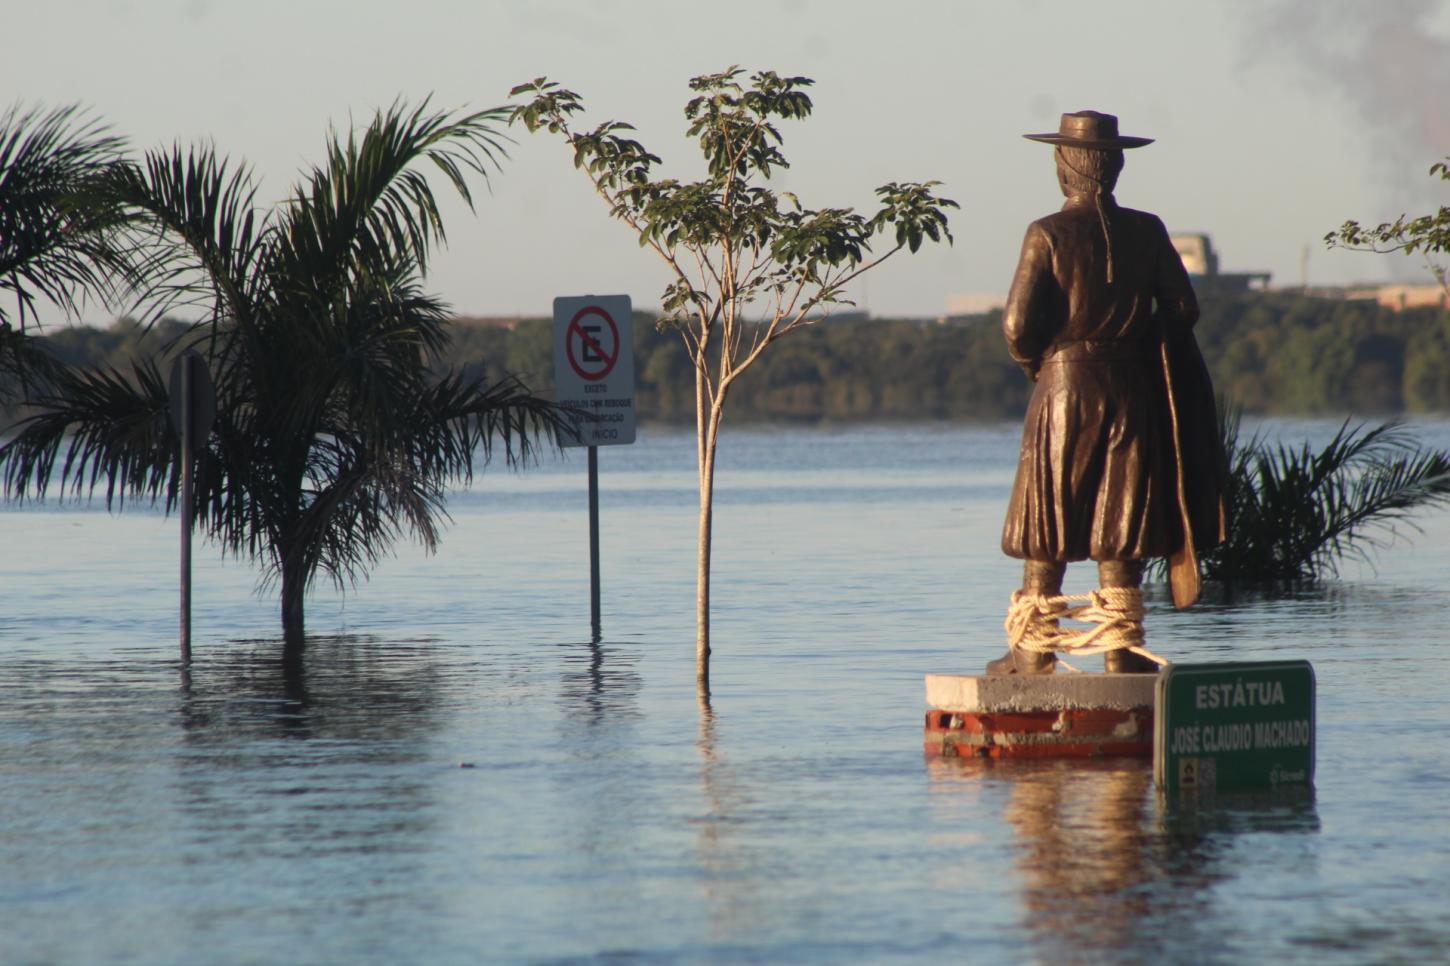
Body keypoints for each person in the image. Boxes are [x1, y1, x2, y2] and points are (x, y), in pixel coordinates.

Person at [987, 111, 1223, 675]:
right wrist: (1142, 342)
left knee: (1050, 513)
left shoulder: (1046, 232)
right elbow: (1183, 307)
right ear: (1113, 167)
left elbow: (1018, 324)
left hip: (1064, 384)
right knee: (1123, 510)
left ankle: (1033, 649)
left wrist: (1035, 364)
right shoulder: (1147, 230)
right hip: (1132, 385)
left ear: (1065, 167)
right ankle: (1119, 651)